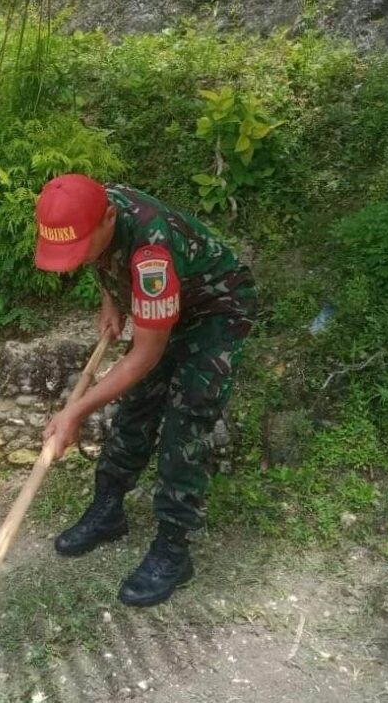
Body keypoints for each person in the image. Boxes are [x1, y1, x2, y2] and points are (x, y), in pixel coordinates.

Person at [36, 174, 256, 607]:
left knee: (185, 421)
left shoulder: (152, 254)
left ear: (110, 219)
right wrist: (111, 300)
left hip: (213, 309)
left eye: (82, 246)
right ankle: (109, 509)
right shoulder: (91, 203)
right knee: (136, 405)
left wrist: (74, 411)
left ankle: (174, 550)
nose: (78, 258)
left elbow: (145, 356)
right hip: (164, 301)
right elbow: (95, 256)